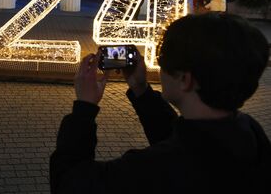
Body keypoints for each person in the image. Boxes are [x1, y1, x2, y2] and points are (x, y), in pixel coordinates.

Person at [50, 13, 271, 193]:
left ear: (185, 79)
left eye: (162, 58)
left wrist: (84, 110)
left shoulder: (150, 171)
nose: (159, 64)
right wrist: (140, 89)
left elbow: (69, 182)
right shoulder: (252, 135)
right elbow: (186, 141)